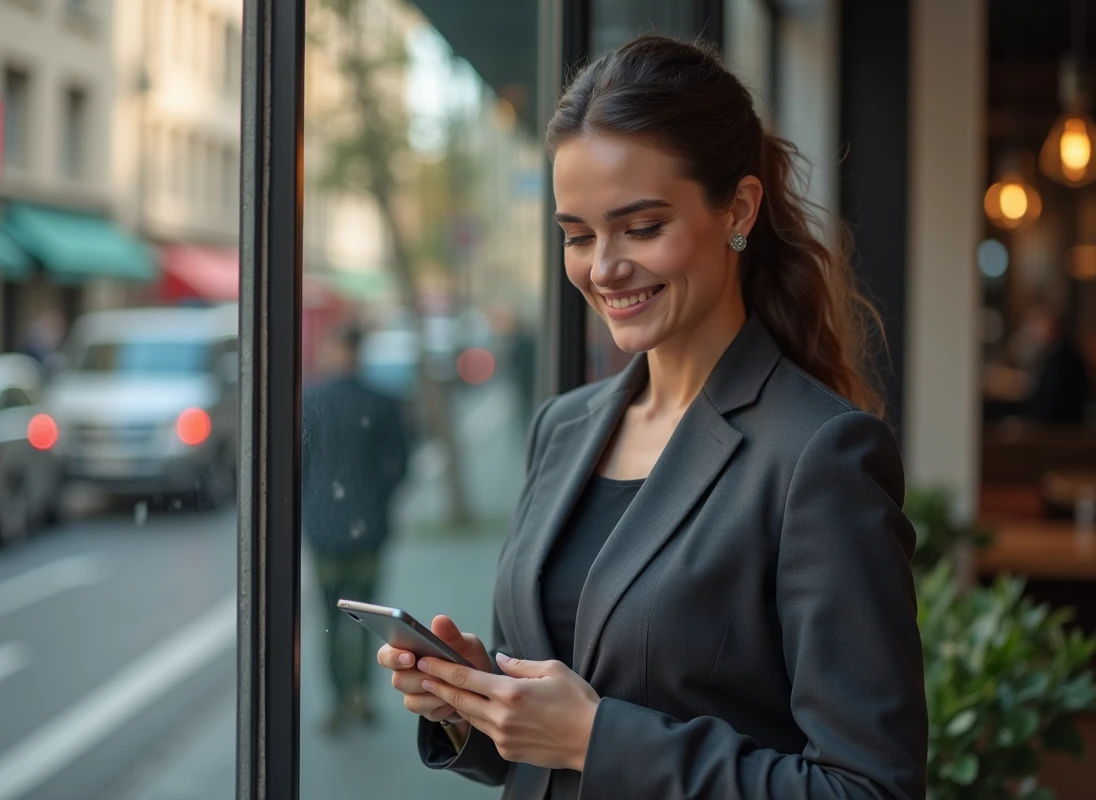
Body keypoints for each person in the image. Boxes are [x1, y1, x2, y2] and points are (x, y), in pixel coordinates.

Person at [378, 35, 927, 800]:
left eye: (641, 228)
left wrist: (596, 738)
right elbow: (554, 744)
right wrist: (478, 704)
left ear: (738, 209)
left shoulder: (820, 455)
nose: (603, 268)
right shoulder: (562, 428)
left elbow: (869, 788)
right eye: (578, 236)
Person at [302, 323, 409, 735]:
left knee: (328, 617)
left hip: (323, 529)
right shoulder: (381, 402)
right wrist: (377, 498)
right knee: (366, 613)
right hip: (369, 527)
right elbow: (400, 463)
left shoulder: (310, 401)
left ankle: (336, 700)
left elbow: (298, 464)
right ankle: (362, 695)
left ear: (334, 351)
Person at [1018, 302, 1090, 424]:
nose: (1030, 330)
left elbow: (1050, 407)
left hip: (1058, 429)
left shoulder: (1063, 358)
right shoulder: (1053, 352)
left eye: (1035, 323)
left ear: (1051, 324)